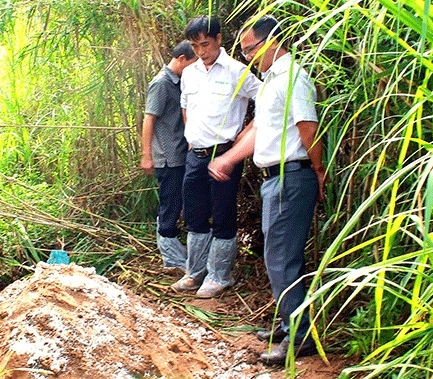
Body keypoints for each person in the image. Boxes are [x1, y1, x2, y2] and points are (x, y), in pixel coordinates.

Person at [208, 15, 328, 364]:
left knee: (281, 257)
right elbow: (261, 129)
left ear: (274, 42)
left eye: (251, 50)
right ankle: (290, 322)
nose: (248, 58)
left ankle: (299, 336)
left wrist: (318, 170)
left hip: (292, 177)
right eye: (244, 52)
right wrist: (228, 158)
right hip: (277, 180)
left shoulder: (292, 78)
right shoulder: (271, 82)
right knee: (279, 255)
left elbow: (308, 127)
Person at [171, 15, 262, 298]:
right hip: (195, 154)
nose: (201, 51)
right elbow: (186, 108)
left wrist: (245, 134)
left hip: (224, 154)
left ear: (219, 39)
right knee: (195, 214)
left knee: (223, 214)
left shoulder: (238, 71)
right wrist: (192, 136)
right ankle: (195, 272)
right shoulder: (189, 73)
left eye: (205, 44)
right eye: (195, 46)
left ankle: (220, 276)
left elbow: (268, 100)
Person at [140, 41, 197, 272]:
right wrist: (146, 155)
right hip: (167, 156)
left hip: (180, 155)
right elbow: (149, 119)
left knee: (178, 203)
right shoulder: (162, 83)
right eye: (194, 62)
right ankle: (171, 259)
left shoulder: (179, 82)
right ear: (182, 58)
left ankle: (177, 254)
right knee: (170, 205)